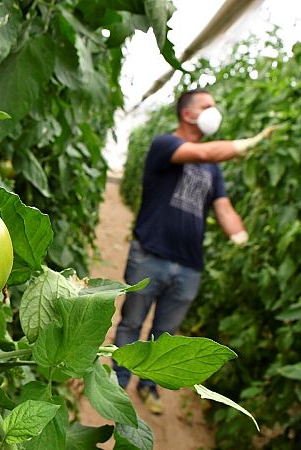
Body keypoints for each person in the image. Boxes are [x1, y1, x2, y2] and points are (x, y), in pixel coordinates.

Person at [113, 88, 276, 414]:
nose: (214, 112)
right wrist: (250, 143)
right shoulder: (165, 145)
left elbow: (223, 208)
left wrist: (242, 236)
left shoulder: (214, 171)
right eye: (208, 106)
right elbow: (203, 154)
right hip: (151, 254)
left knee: (165, 335)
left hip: (189, 266)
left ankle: (149, 386)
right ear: (187, 113)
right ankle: (115, 385)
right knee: (132, 323)